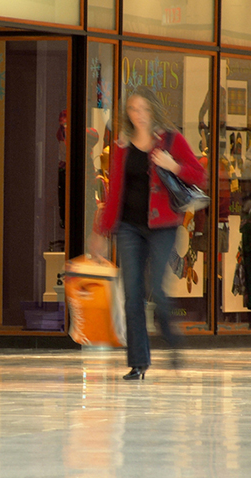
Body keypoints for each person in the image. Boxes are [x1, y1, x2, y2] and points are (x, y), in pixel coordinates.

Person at [92, 86, 207, 380]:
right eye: (133, 109)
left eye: (143, 109)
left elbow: (199, 175)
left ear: (153, 110)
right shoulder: (121, 146)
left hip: (163, 226)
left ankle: (171, 335)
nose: (139, 115)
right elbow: (116, 191)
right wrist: (101, 232)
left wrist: (173, 165)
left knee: (158, 287)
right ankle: (138, 362)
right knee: (132, 294)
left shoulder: (170, 139)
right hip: (129, 227)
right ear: (127, 114)